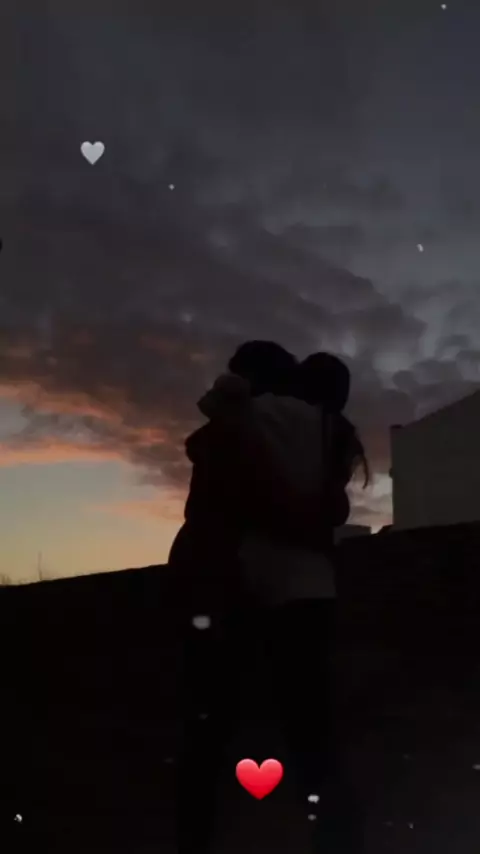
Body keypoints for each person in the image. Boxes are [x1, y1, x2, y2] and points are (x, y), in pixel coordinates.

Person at [172, 342, 368, 853]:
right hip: (309, 587)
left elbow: (205, 472)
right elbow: (334, 510)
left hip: (236, 582)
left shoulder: (242, 414)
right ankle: (336, 838)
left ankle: (195, 838)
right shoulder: (332, 428)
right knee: (314, 734)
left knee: (208, 732)